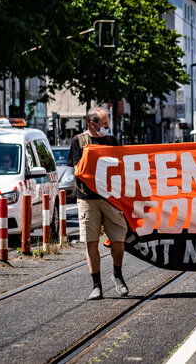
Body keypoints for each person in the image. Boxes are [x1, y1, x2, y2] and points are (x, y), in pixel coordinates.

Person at [68, 107, 129, 300]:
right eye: (104, 125)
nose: (107, 128)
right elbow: (79, 169)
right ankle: (96, 286)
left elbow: (120, 166)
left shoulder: (111, 141)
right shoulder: (78, 141)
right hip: (87, 200)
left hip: (110, 199)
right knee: (91, 242)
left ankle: (117, 274)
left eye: (108, 124)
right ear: (92, 124)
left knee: (119, 241)